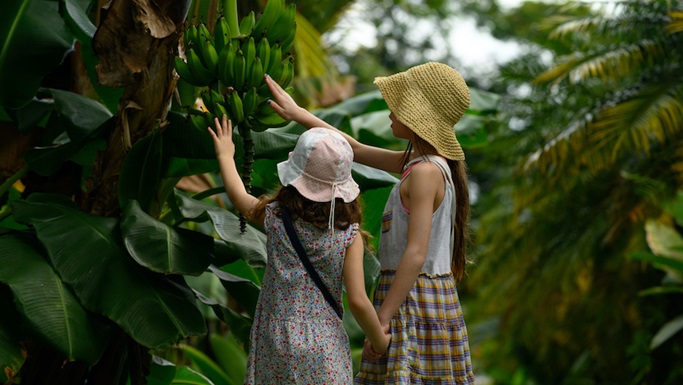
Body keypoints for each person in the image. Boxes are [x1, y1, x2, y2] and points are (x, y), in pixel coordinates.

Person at [263, 61, 476, 384]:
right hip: (408, 292)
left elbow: (416, 254)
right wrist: (300, 114)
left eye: (398, 103)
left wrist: (382, 318)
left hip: (412, 296)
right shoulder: (420, 163)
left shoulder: (424, 172)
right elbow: (357, 149)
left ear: (418, 115)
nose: (390, 109)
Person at [208, 115, 392, 384]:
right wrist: (379, 341)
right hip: (324, 344)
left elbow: (238, 197)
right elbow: (358, 301)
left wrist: (225, 154)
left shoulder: (276, 218)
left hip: (275, 338)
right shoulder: (349, 237)